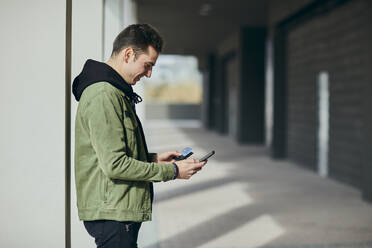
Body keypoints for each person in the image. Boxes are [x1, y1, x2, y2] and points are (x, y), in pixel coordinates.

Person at [72, 23, 207, 248]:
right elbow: (115, 164)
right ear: (128, 54)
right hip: (113, 214)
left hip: (117, 209)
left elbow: (116, 152)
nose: (149, 73)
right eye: (147, 65)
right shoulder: (104, 95)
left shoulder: (116, 92)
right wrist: (173, 171)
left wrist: (153, 158)